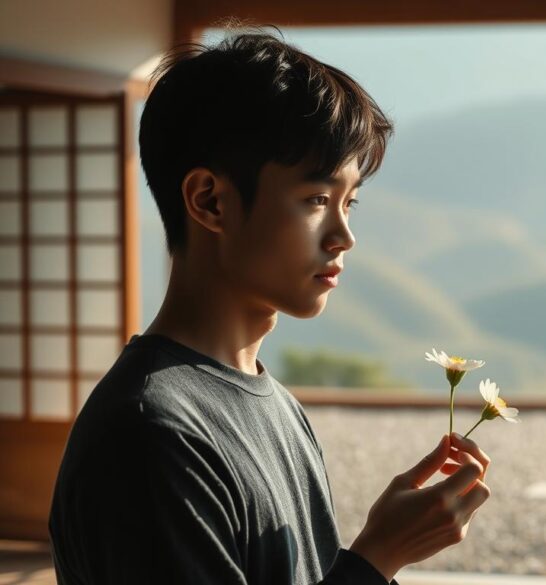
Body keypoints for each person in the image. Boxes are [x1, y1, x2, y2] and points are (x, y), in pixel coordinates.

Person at [48, 27, 492, 585]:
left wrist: (380, 553)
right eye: (316, 200)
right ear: (209, 200)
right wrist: (378, 557)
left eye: (349, 203)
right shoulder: (151, 433)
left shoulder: (274, 404)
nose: (344, 236)